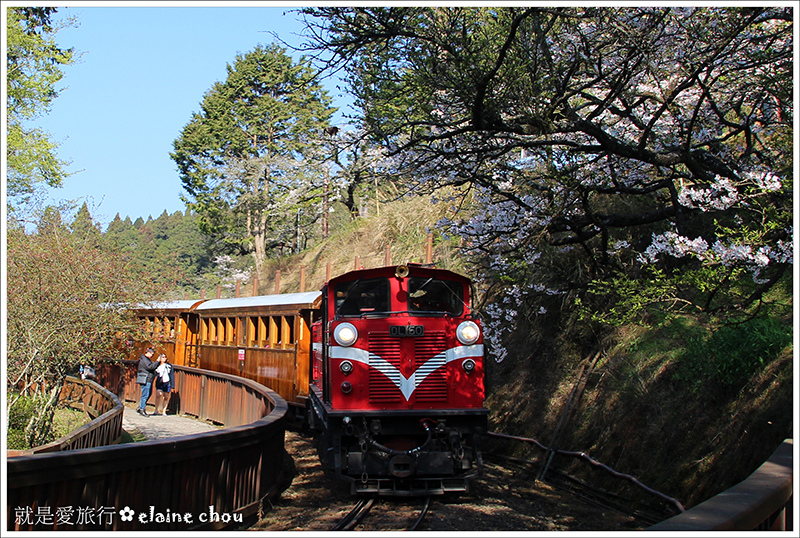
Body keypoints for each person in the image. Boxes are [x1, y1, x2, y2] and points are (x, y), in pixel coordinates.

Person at [136, 348, 159, 417]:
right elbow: (150, 367)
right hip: (145, 379)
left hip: (148, 379)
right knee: (145, 394)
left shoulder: (146, 359)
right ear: (148, 353)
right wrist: (157, 361)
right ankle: (142, 409)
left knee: (148, 394)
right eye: (152, 354)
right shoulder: (144, 359)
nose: (152, 356)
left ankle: (141, 406)